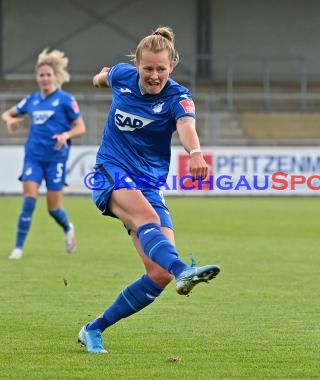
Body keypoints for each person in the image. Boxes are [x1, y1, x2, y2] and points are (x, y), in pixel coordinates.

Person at [77, 26, 220, 354]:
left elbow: (186, 127)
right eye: (148, 68)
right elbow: (105, 76)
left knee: (158, 274)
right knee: (146, 218)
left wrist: (195, 153)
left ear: (172, 66)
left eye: (161, 69)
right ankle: (185, 270)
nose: (154, 75)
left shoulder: (178, 98)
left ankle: (93, 328)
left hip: (148, 184)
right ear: (137, 65)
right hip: (110, 172)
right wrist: (100, 78)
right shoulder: (123, 76)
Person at [1, 48, 86, 260]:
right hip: (34, 157)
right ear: (37, 78)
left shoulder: (66, 100)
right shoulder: (32, 100)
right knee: (29, 200)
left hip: (56, 159)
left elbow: (80, 127)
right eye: (41, 75)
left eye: (49, 74)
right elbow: (7, 113)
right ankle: (18, 248)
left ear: (55, 77)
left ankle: (68, 228)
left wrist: (66, 134)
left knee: (53, 209)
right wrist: (10, 120)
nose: (45, 78)